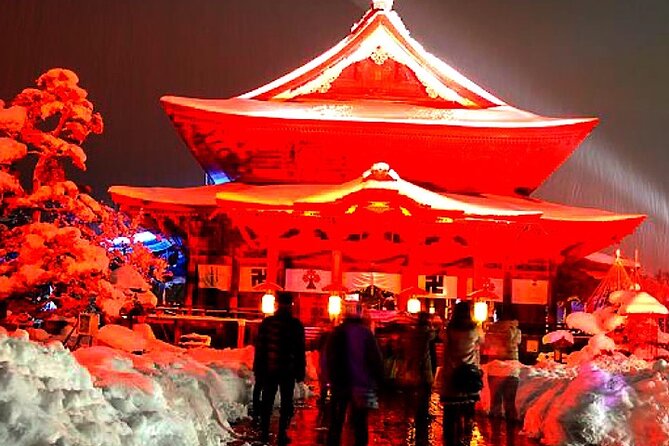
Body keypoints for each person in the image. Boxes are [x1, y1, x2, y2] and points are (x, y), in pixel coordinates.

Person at [326, 303, 383, 446]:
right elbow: (376, 359)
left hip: (340, 384)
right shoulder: (366, 333)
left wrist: (330, 378)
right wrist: (379, 380)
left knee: (336, 422)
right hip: (363, 385)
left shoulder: (338, 332)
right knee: (360, 423)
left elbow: (330, 357)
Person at [254, 292, 306, 445]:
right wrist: (300, 372)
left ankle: (264, 431)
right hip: (287, 370)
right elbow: (299, 351)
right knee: (286, 402)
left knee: (267, 400)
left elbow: (260, 348)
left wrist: (259, 368)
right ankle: (282, 432)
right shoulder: (295, 325)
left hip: (269, 368)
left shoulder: (267, 323)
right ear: (291, 305)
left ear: (277, 304)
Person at [440, 301, 483, 446]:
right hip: (469, 376)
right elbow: (482, 342)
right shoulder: (475, 329)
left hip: (452, 375)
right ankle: (466, 438)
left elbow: (444, 343)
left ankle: (450, 440)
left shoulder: (450, 330)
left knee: (450, 415)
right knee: (468, 412)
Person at [482, 304, 522, 422]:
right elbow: (516, 344)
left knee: (496, 402)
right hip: (512, 369)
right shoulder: (516, 331)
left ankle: (494, 435)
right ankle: (511, 435)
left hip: (495, 367)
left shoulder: (491, 330)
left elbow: (486, 346)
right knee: (510, 402)